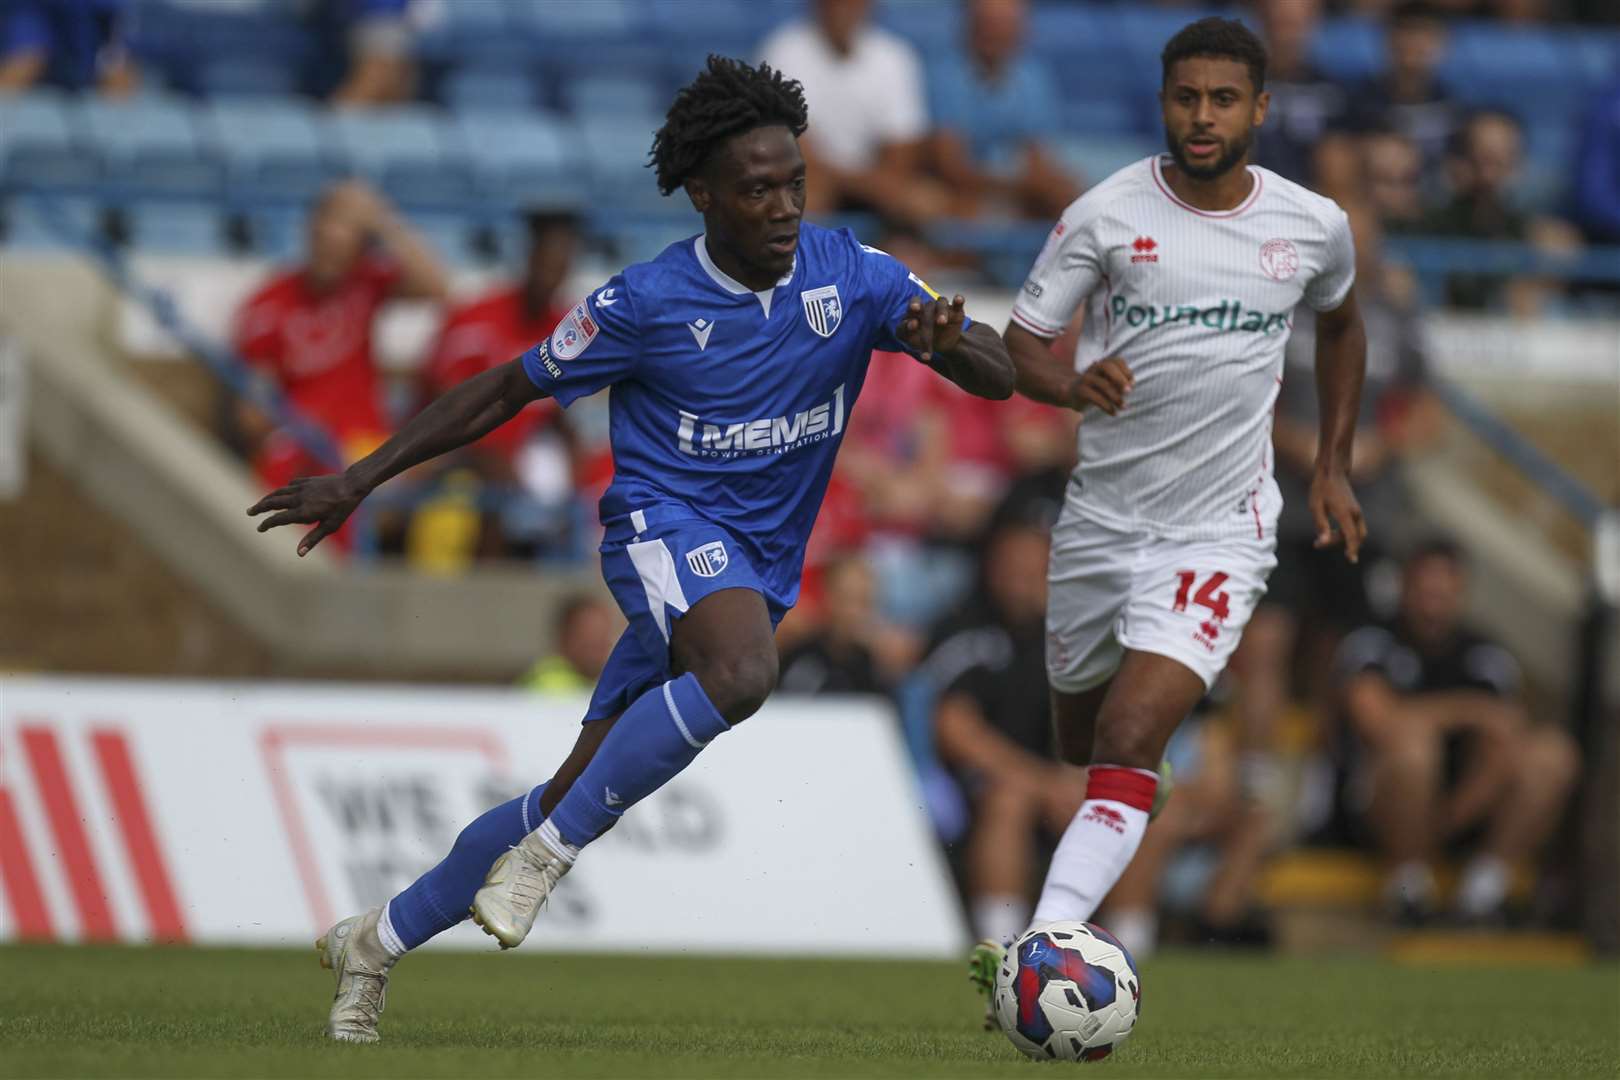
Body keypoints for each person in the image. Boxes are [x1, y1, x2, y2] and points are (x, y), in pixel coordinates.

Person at [248, 56, 1014, 1044]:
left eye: (794, 184)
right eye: (757, 189)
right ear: (704, 196)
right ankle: (551, 857)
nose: (782, 206)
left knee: (568, 784)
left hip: (756, 566)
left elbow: (995, 373)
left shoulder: (855, 277)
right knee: (742, 671)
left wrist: (946, 340)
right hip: (661, 529)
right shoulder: (644, 304)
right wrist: (361, 478)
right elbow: (502, 390)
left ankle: (379, 940)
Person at [970, 17, 1366, 1015]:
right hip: (1101, 523)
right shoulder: (1105, 214)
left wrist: (1332, 464)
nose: (1203, 115)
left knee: (1134, 730)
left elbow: (1344, 320)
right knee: (1084, 739)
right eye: (1186, 97)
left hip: (1221, 529)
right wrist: (1068, 388)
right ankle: (1132, 799)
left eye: (1223, 98)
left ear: (1260, 109)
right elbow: (1022, 344)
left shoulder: (1312, 223)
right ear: (1164, 103)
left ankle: (1041, 948)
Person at [1335, 538, 1579, 925]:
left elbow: (1507, 730)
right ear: (1406, 587)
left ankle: (1482, 893)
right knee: (1413, 746)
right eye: (1425, 589)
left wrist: (1448, 817)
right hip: (1378, 807)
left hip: (1460, 808)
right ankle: (1408, 888)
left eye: (1444, 591)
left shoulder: (1485, 653)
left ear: (1460, 593)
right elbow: (1377, 720)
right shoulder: (1372, 641)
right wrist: (1468, 710)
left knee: (1552, 754)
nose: (1434, 601)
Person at [923, 500, 1087, 948]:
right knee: (1008, 802)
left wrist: (1074, 781)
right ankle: (1001, 948)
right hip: (974, 785)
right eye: (1011, 561)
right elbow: (956, 730)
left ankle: (1128, 942)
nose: (1020, 574)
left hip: (1062, 778)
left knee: (1121, 809)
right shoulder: (965, 626)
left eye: (1033, 563)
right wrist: (1042, 782)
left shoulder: (1076, 634)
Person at [233, 180, 447, 511]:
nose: (331, 255)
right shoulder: (269, 304)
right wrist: (288, 421)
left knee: (445, 466)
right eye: (324, 240)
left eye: (344, 245)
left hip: (366, 441)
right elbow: (252, 413)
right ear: (309, 234)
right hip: (306, 442)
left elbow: (436, 287)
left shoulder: (364, 281)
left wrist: (381, 219)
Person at [418, 210, 582, 558]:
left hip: (522, 460)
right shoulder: (477, 316)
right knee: (492, 481)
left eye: (562, 265)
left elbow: (553, 409)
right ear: (530, 257)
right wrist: (490, 452)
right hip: (450, 451)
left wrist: (575, 449)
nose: (553, 274)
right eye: (547, 261)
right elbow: (446, 404)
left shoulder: (565, 327)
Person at [758, 0, 945, 225]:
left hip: (874, 181)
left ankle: (895, 257)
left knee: (926, 203)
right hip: (812, 181)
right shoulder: (783, 51)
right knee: (801, 200)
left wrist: (873, 186)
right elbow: (794, 151)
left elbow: (903, 150)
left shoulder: (894, 56)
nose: (844, 9)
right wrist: (863, 184)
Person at [925, 0, 1079, 222]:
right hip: (961, 191)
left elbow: (1037, 155)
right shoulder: (942, 76)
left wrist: (1042, 184)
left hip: (1011, 187)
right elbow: (950, 166)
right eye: (987, 23)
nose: (995, 32)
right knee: (960, 211)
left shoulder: (1033, 77)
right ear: (969, 25)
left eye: (1005, 24)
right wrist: (1019, 187)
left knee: (1068, 200)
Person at [1343, 1, 1464, 191]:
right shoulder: (1359, 104)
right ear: (1388, 40)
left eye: (1425, 34)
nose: (1415, 43)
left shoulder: (1451, 104)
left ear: (1443, 44)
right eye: (1407, 32)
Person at [1250, 0, 1355, 191]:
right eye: (1280, 23)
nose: (1287, 36)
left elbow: (1339, 168)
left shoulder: (1331, 92)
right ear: (1262, 20)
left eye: (1295, 24)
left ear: (1312, 23)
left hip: (1313, 198)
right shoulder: (1240, 86)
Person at [0, 0, 137, 95]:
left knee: (117, 72)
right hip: (35, 97)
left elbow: (113, 52)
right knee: (27, 61)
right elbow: (28, 55)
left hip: (86, 85)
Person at [520, 594, 620, 695]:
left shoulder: (609, 682)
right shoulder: (547, 682)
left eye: (603, 635)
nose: (599, 643)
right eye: (589, 634)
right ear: (565, 636)